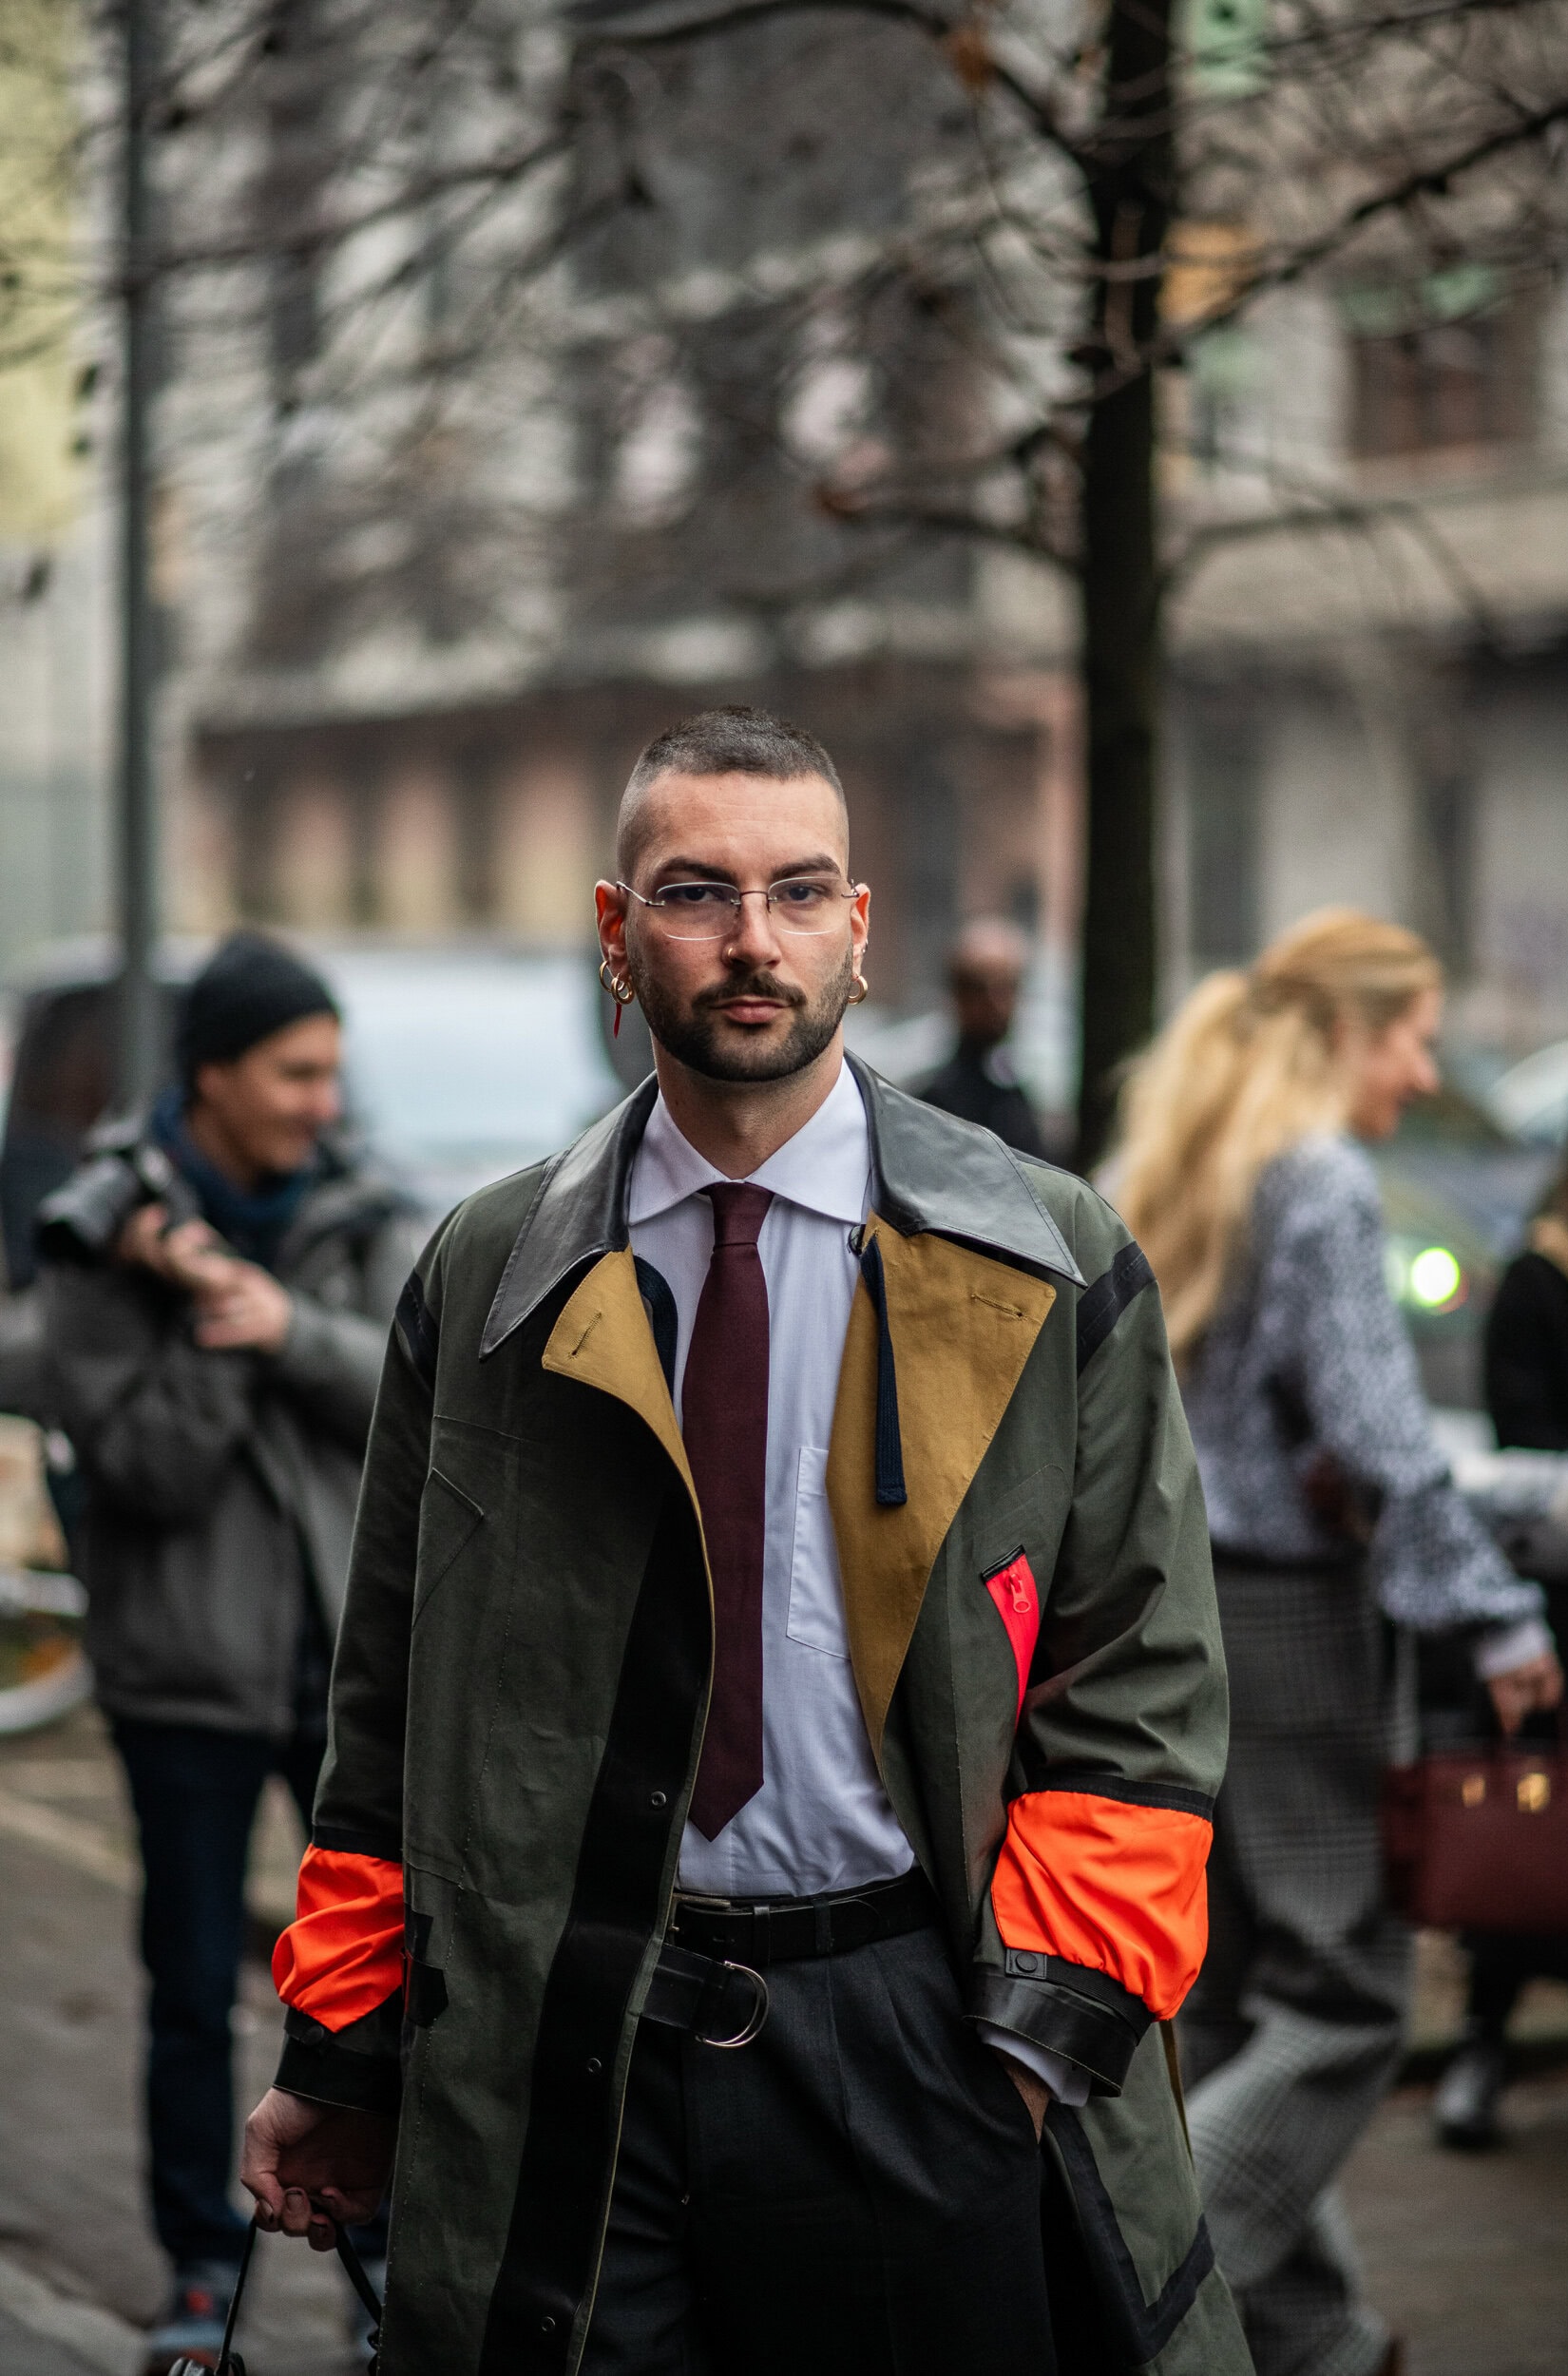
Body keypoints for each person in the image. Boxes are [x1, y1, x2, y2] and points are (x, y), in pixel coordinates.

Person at [240, 706, 1252, 2376]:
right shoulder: (486, 1276)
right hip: (576, 2043)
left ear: (857, 934)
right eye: (697, 892)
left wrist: (1023, 2037)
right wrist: (342, 2055)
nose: (750, 940)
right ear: (615, 934)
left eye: (796, 893)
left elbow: (1143, 1676)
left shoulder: (1038, 1255)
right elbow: (390, 1704)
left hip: (914, 2034)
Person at [1112, 908, 1564, 2376]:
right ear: (1343, 1033)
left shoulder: (1196, 1164)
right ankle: (1136, 2283)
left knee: (1245, 2001)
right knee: (1351, 1998)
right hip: (1296, 1622)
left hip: (1182, 1615)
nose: (1422, 1070)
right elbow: (1374, 1430)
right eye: (1410, 1036)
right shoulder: (1317, 1180)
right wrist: (1494, 1618)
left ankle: (1319, 2343)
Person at [38, 933, 418, 2372]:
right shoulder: (97, 1234)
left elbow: (411, 1406)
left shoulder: (361, 1206)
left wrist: (282, 1329)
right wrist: (210, 1321)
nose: (326, 1101)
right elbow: (141, 1473)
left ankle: (385, 2264)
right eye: (295, 1072)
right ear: (211, 1076)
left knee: (369, 1985)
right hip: (183, 1680)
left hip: (341, 1676)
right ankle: (200, 2274)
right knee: (191, 1987)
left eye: (332, 1069)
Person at [1432, 1101, 1568, 2149]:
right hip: (1558, 1604)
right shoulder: (1537, 1276)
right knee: (1529, 1818)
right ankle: (1479, 2042)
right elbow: (1517, 1436)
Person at [915, 916, 1044, 1156]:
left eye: (1007, 987)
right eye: (980, 988)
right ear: (957, 995)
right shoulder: (937, 1101)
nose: (995, 1003)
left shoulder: (1016, 1091)